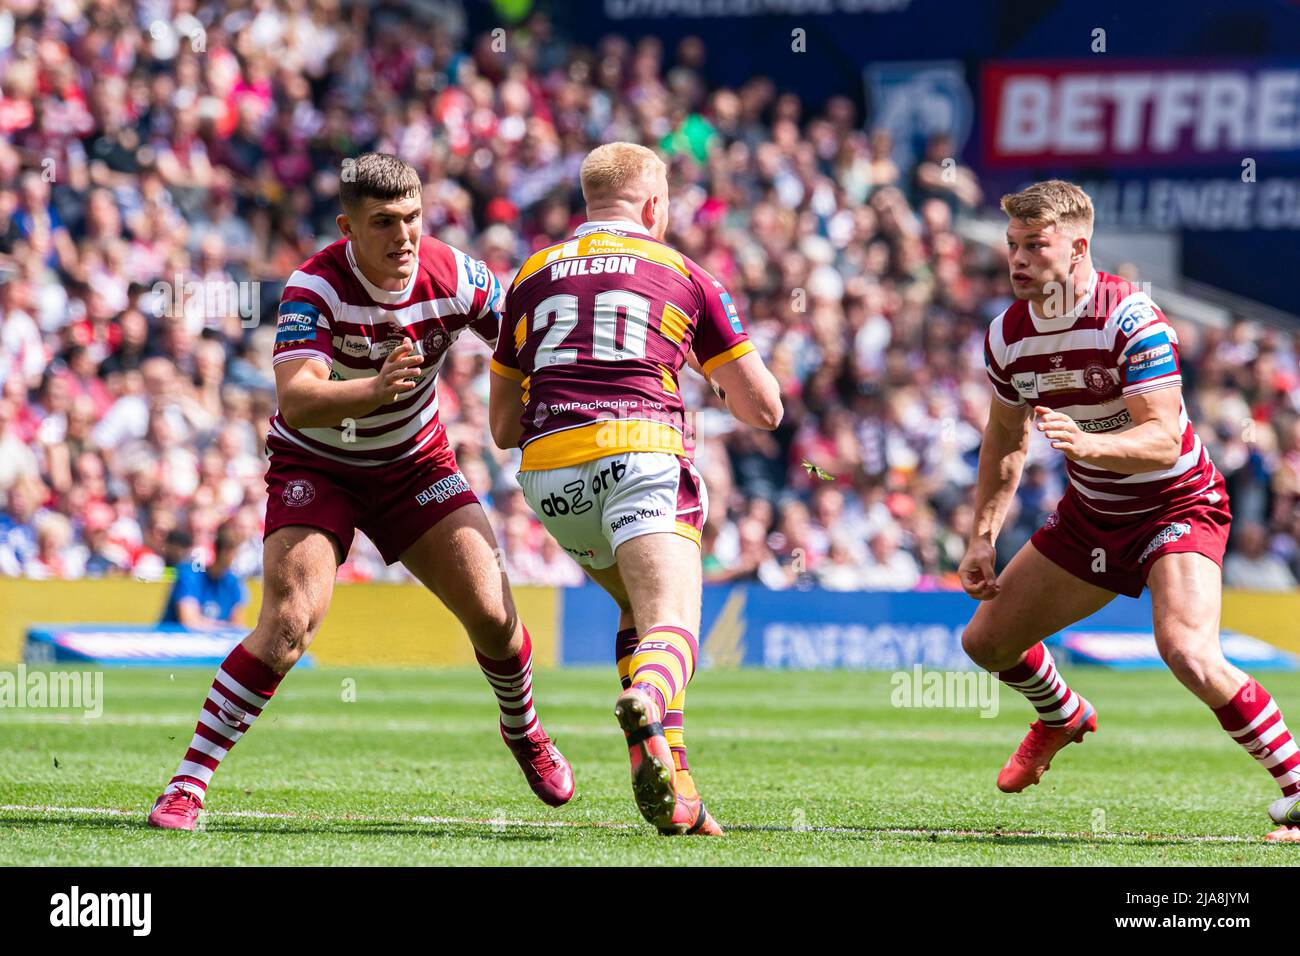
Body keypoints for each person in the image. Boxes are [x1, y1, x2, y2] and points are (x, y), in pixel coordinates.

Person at [147, 153, 573, 831]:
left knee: (494, 614)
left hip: (415, 465)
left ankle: (524, 730)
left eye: (412, 218)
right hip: (317, 466)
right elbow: (298, 396)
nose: (403, 237)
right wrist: (374, 390)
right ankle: (188, 784)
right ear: (349, 227)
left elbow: (522, 336)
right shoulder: (313, 287)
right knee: (288, 626)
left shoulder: (454, 271)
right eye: (383, 223)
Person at [958, 180, 1300, 842]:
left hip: (1177, 503)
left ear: (1079, 248)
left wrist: (1088, 444)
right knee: (985, 642)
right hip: (1093, 515)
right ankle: (1061, 715)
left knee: (1187, 651)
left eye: (1035, 246)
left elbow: (1163, 438)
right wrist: (981, 537)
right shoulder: (1007, 337)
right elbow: (1005, 440)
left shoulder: (1130, 317)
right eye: (1011, 246)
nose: (1017, 260)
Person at [488, 142, 783, 834]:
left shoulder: (530, 276)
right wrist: (704, 370)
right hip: (641, 455)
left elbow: (501, 427)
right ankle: (647, 697)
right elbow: (765, 409)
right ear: (655, 206)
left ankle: (677, 788)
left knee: (636, 608)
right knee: (673, 624)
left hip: (550, 478)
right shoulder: (683, 272)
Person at [159, 521, 247, 629]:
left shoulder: (233, 582)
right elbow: (189, 621)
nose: (237, 558)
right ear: (224, 552)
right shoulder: (190, 575)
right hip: (176, 642)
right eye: (235, 552)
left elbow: (237, 626)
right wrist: (224, 627)